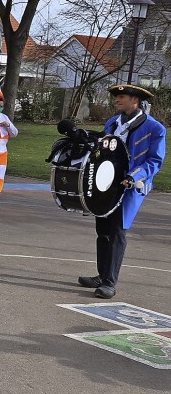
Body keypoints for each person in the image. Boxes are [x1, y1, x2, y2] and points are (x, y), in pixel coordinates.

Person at [78, 84, 166, 299]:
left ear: (135, 100)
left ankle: (109, 282)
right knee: (103, 230)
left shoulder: (155, 128)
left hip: (130, 186)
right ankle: (101, 274)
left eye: (122, 97)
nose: (117, 100)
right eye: (116, 97)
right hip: (107, 183)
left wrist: (133, 176)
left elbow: (155, 160)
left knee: (118, 231)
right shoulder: (112, 122)